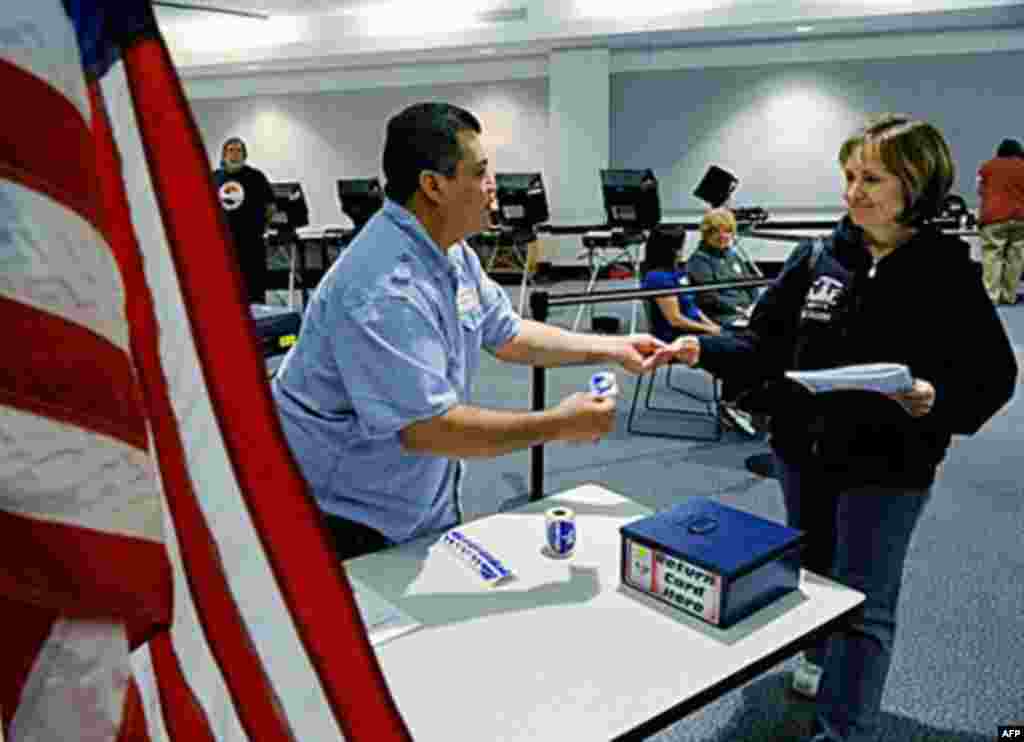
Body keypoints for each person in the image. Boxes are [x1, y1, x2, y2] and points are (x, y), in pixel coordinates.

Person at [668, 114, 1017, 742]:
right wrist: (703, 352)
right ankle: (818, 661)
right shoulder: (818, 256)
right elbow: (762, 343)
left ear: (916, 184)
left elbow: (992, 375)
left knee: (864, 603)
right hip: (804, 454)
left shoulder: (946, 270)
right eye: (850, 176)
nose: (855, 191)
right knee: (816, 574)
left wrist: (937, 398)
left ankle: (844, 730)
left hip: (890, 465)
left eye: (873, 178)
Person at [271, 102, 671, 561]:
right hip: (345, 515)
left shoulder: (450, 251)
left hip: (414, 498)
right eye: (480, 172)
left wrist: (613, 347)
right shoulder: (383, 291)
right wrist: (559, 424)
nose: (493, 187)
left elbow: (507, 332)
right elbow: (428, 429)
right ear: (434, 186)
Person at [212, 136, 275, 304]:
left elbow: (270, 207)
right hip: (222, 246)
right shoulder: (213, 178)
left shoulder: (256, 177)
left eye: (239, 150)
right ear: (223, 155)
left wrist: (261, 227)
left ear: (245, 155)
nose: (234, 154)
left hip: (251, 245)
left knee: (254, 292)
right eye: (230, 150)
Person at [640, 227, 721, 340]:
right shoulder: (658, 278)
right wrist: (708, 329)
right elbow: (675, 319)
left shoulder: (678, 271)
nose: (682, 251)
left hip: (696, 329)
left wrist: (711, 325)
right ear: (671, 250)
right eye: (680, 247)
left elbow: (692, 307)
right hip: (677, 337)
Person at [685, 207, 762, 328]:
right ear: (706, 234)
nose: (722, 236)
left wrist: (756, 306)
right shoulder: (698, 262)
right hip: (724, 317)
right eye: (716, 231)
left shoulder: (733, 255)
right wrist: (738, 309)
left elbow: (750, 284)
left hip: (747, 313)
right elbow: (709, 298)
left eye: (727, 231)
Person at [977, 137, 1024, 305]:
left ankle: (991, 296)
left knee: (992, 255)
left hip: (993, 218)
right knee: (1016, 257)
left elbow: (981, 190)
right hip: (1020, 218)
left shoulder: (987, 167)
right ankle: (1009, 296)